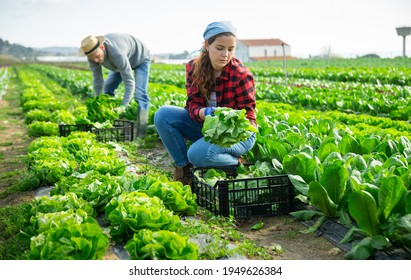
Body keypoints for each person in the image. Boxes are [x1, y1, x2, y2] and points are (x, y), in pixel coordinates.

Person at [154, 21, 257, 185]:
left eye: (231, 49)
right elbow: (192, 105)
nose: (225, 54)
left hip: (238, 134)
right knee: (163, 115)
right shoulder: (194, 68)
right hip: (208, 127)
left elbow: (249, 116)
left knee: (197, 154)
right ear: (207, 45)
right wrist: (206, 113)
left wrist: (228, 121)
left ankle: (238, 163)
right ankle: (184, 170)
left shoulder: (241, 75)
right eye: (220, 48)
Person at [78, 33, 151, 138]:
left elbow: (129, 82)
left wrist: (123, 105)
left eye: (97, 57)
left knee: (140, 94)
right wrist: (97, 101)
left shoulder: (117, 53)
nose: (96, 61)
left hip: (140, 59)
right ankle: (109, 124)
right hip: (119, 65)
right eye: (93, 58)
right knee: (107, 89)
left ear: (102, 47)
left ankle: (141, 135)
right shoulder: (92, 56)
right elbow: (98, 80)